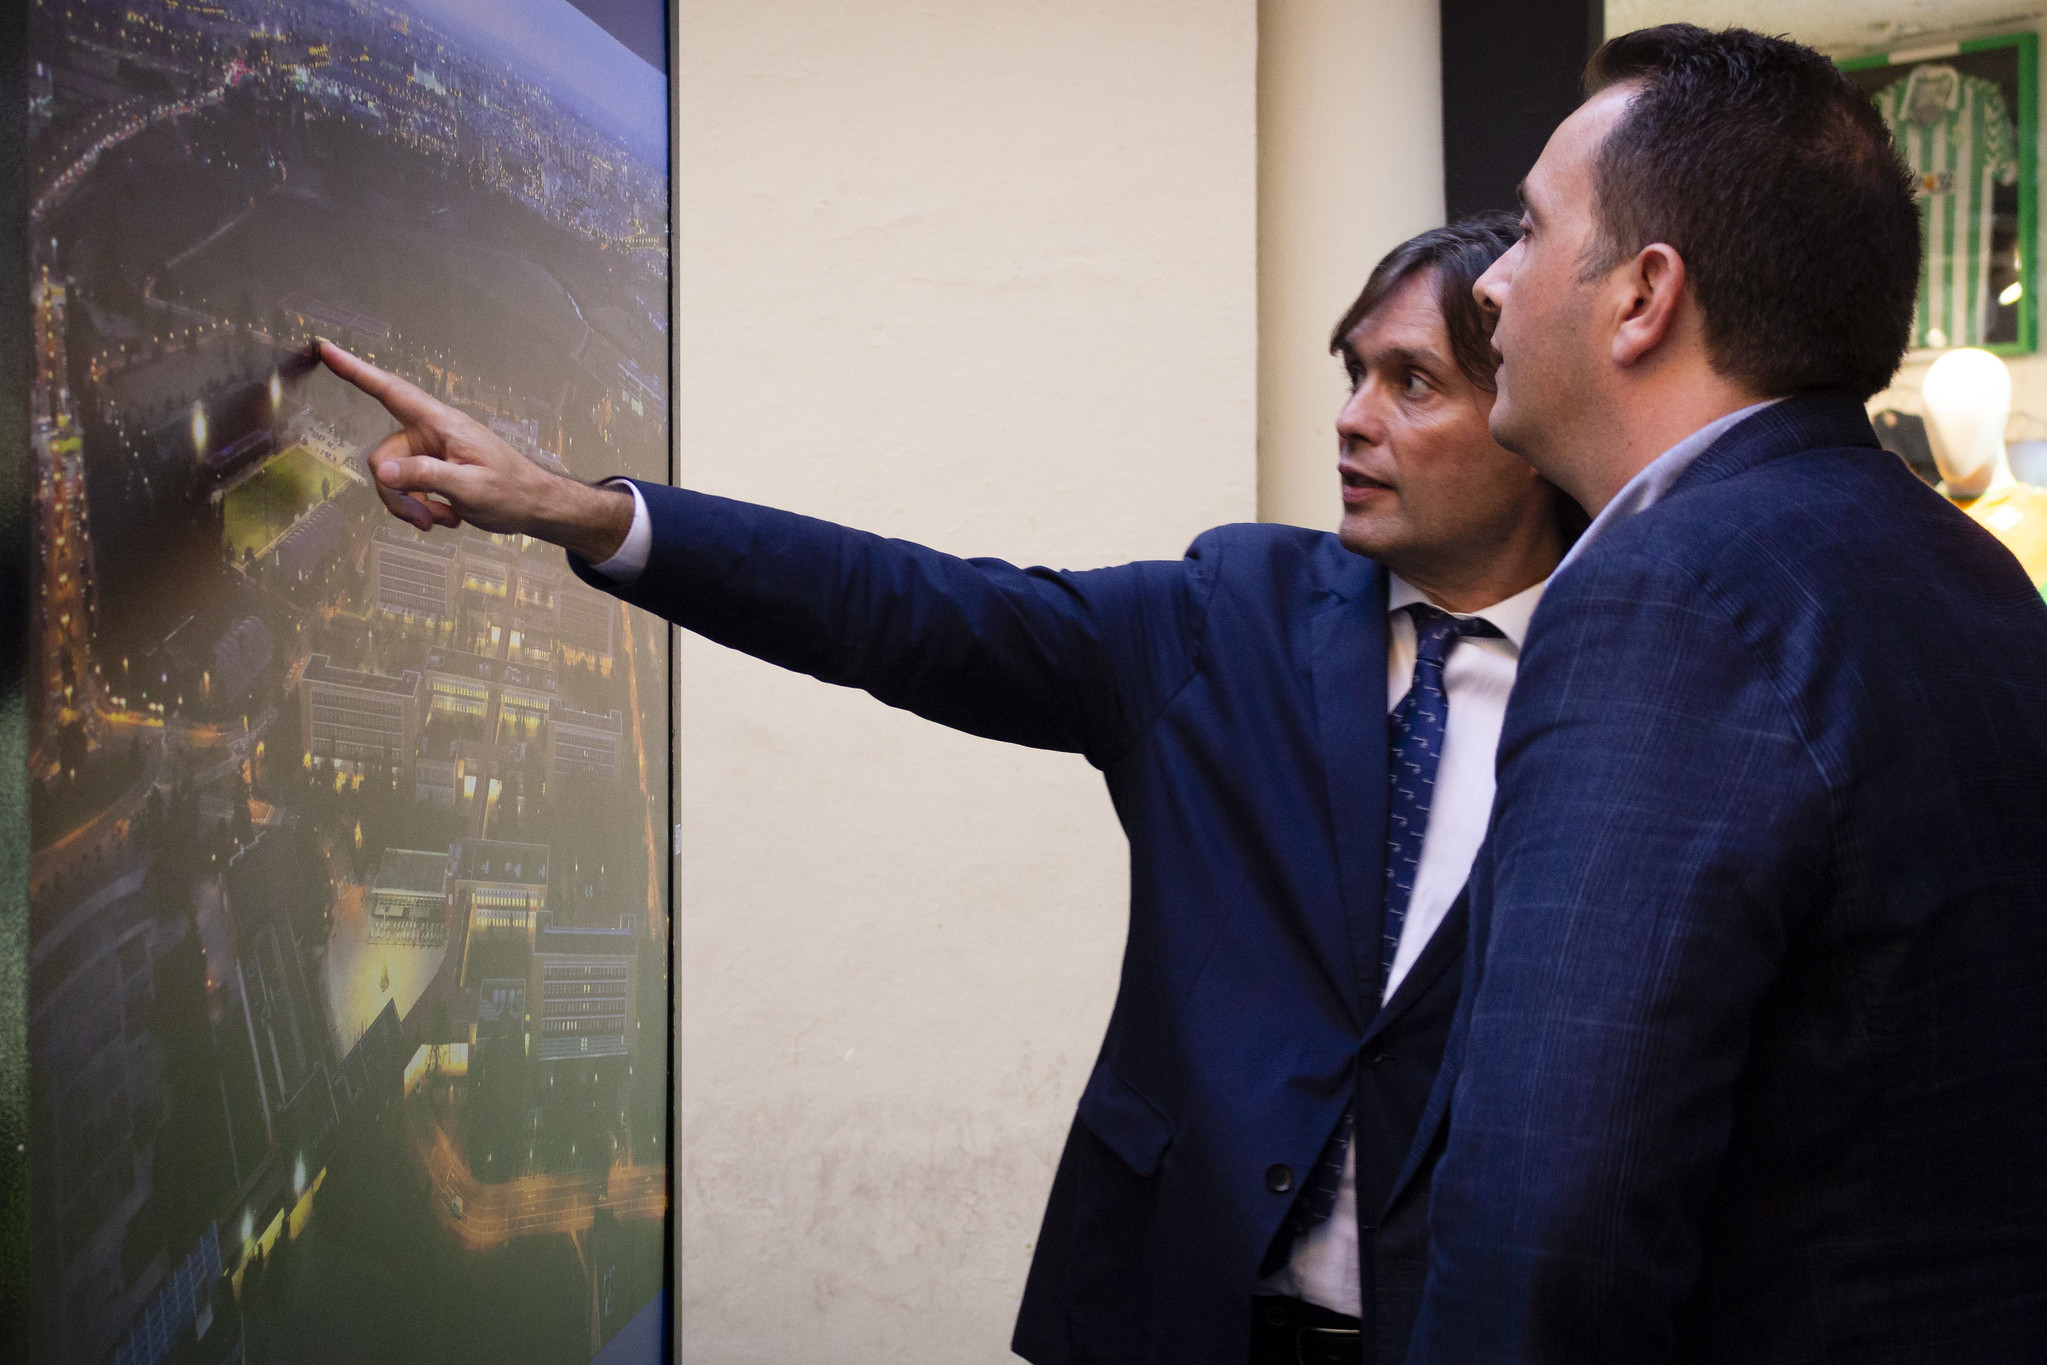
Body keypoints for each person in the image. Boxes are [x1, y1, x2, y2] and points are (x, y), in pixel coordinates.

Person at [317, 216, 1573, 1363]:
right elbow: (904, 609)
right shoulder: (1233, 616)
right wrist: (578, 513)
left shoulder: (1630, 688)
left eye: (1412, 383)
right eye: (1352, 374)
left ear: (1526, 417)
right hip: (1172, 1317)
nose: (1352, 418)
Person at [1398, 26, 2047, 1364]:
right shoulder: (1968, 574)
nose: (1490, 287)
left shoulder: (1667, 596)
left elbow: (1552, 1227)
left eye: (1528, 233)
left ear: (1643, 296)